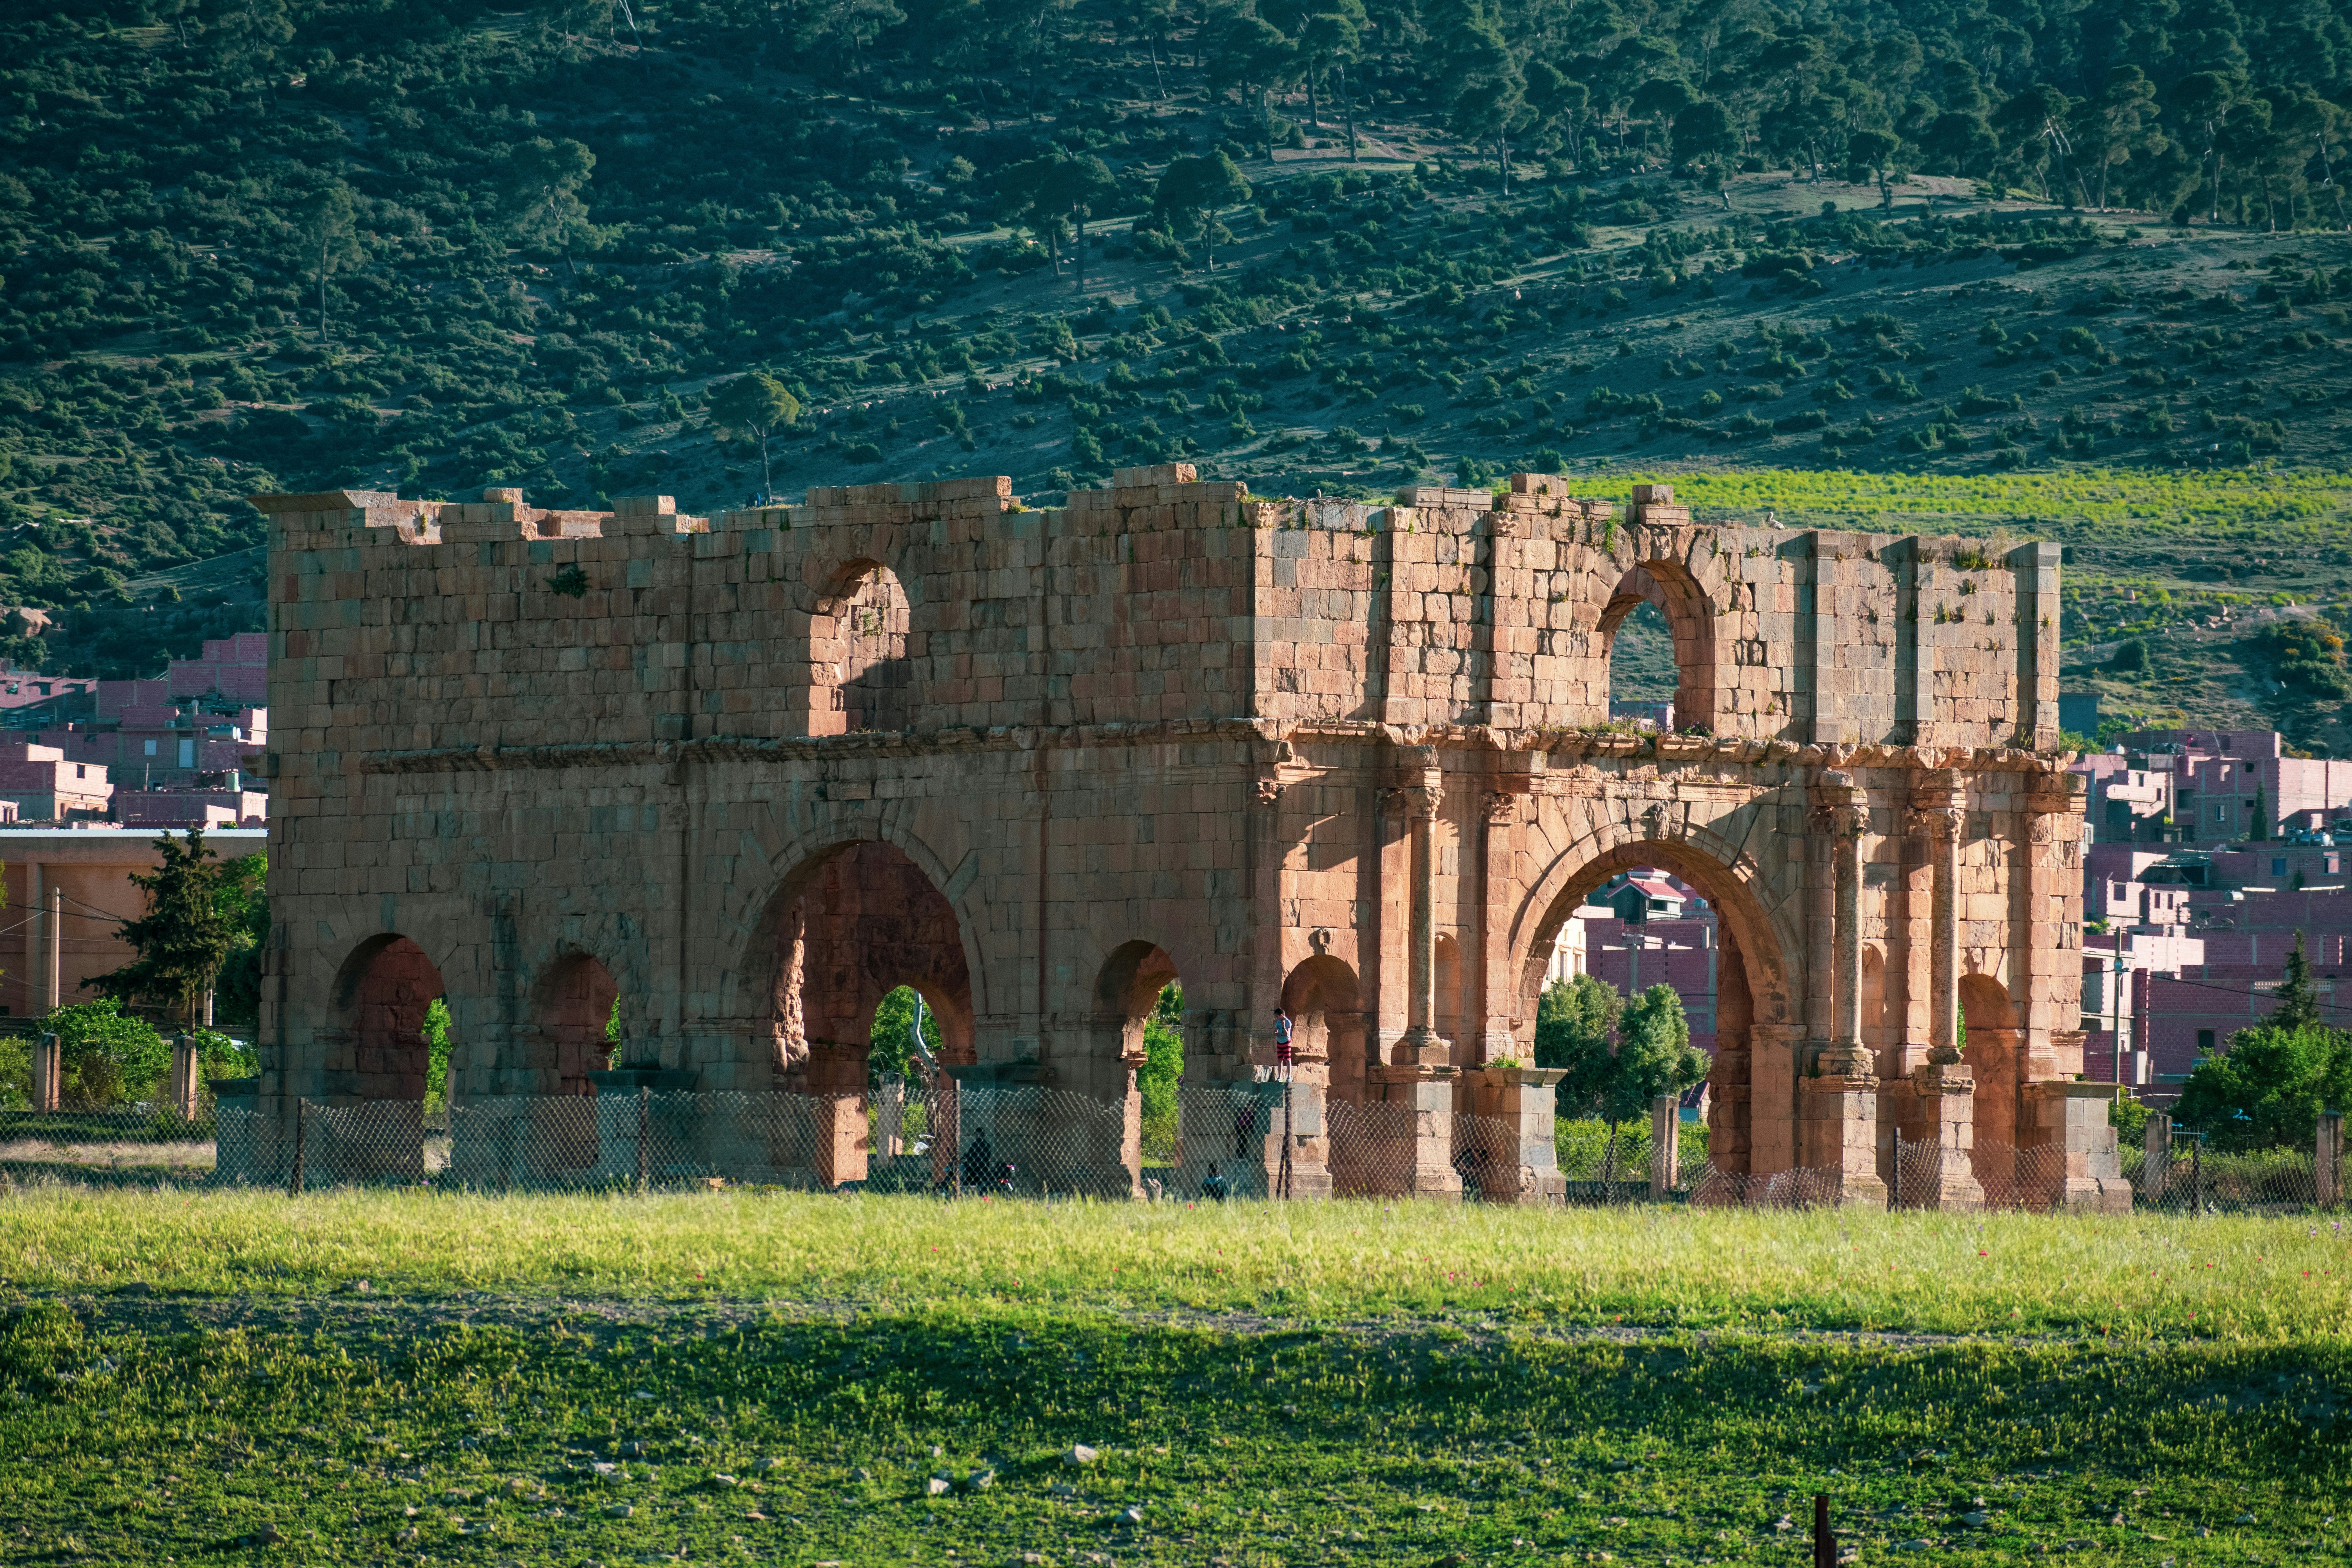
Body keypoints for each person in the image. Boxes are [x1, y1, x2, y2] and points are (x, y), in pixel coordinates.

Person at [1272, 1007, 1294, 1076]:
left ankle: (1289, 1077)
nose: (1277, 1018)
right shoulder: (1278, 1022)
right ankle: (1279, 1077)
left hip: (1286, 1042)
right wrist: (1277, 1034)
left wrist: (1284, 1026)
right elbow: (1274, 1032)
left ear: (1281, 1015)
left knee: (1288, 1060)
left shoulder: (1288, 1022)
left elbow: (1287, 1034)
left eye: (1277, 1016)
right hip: (1280, 1042)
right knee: (1280, 1060)